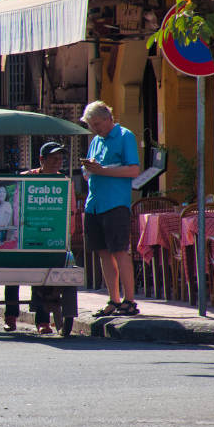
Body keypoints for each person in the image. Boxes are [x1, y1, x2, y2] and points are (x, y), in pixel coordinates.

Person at [3, 141, 72, 334]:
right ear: (42, 160)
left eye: (60, 159)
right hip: (23, 235)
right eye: (53, 159)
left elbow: (70, 212)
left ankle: (43, 321)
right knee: (12, 271)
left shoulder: (64, 182)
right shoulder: (26, 178)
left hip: (49, 237)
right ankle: (10, 316)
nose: (57, 162)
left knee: (43, 277)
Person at [80, 101, 141, 316]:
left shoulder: (125, 136)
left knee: (120, 251)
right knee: (103, 252)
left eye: (98, 124)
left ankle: (130, 300)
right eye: (92, 125)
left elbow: (133, 170)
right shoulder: (96, 141)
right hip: (94, 204)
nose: (96, 129)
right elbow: (88, 171)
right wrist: (89, 169)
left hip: (115, 203)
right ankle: (113, 299)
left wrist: (102, 170)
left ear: (108, 118)